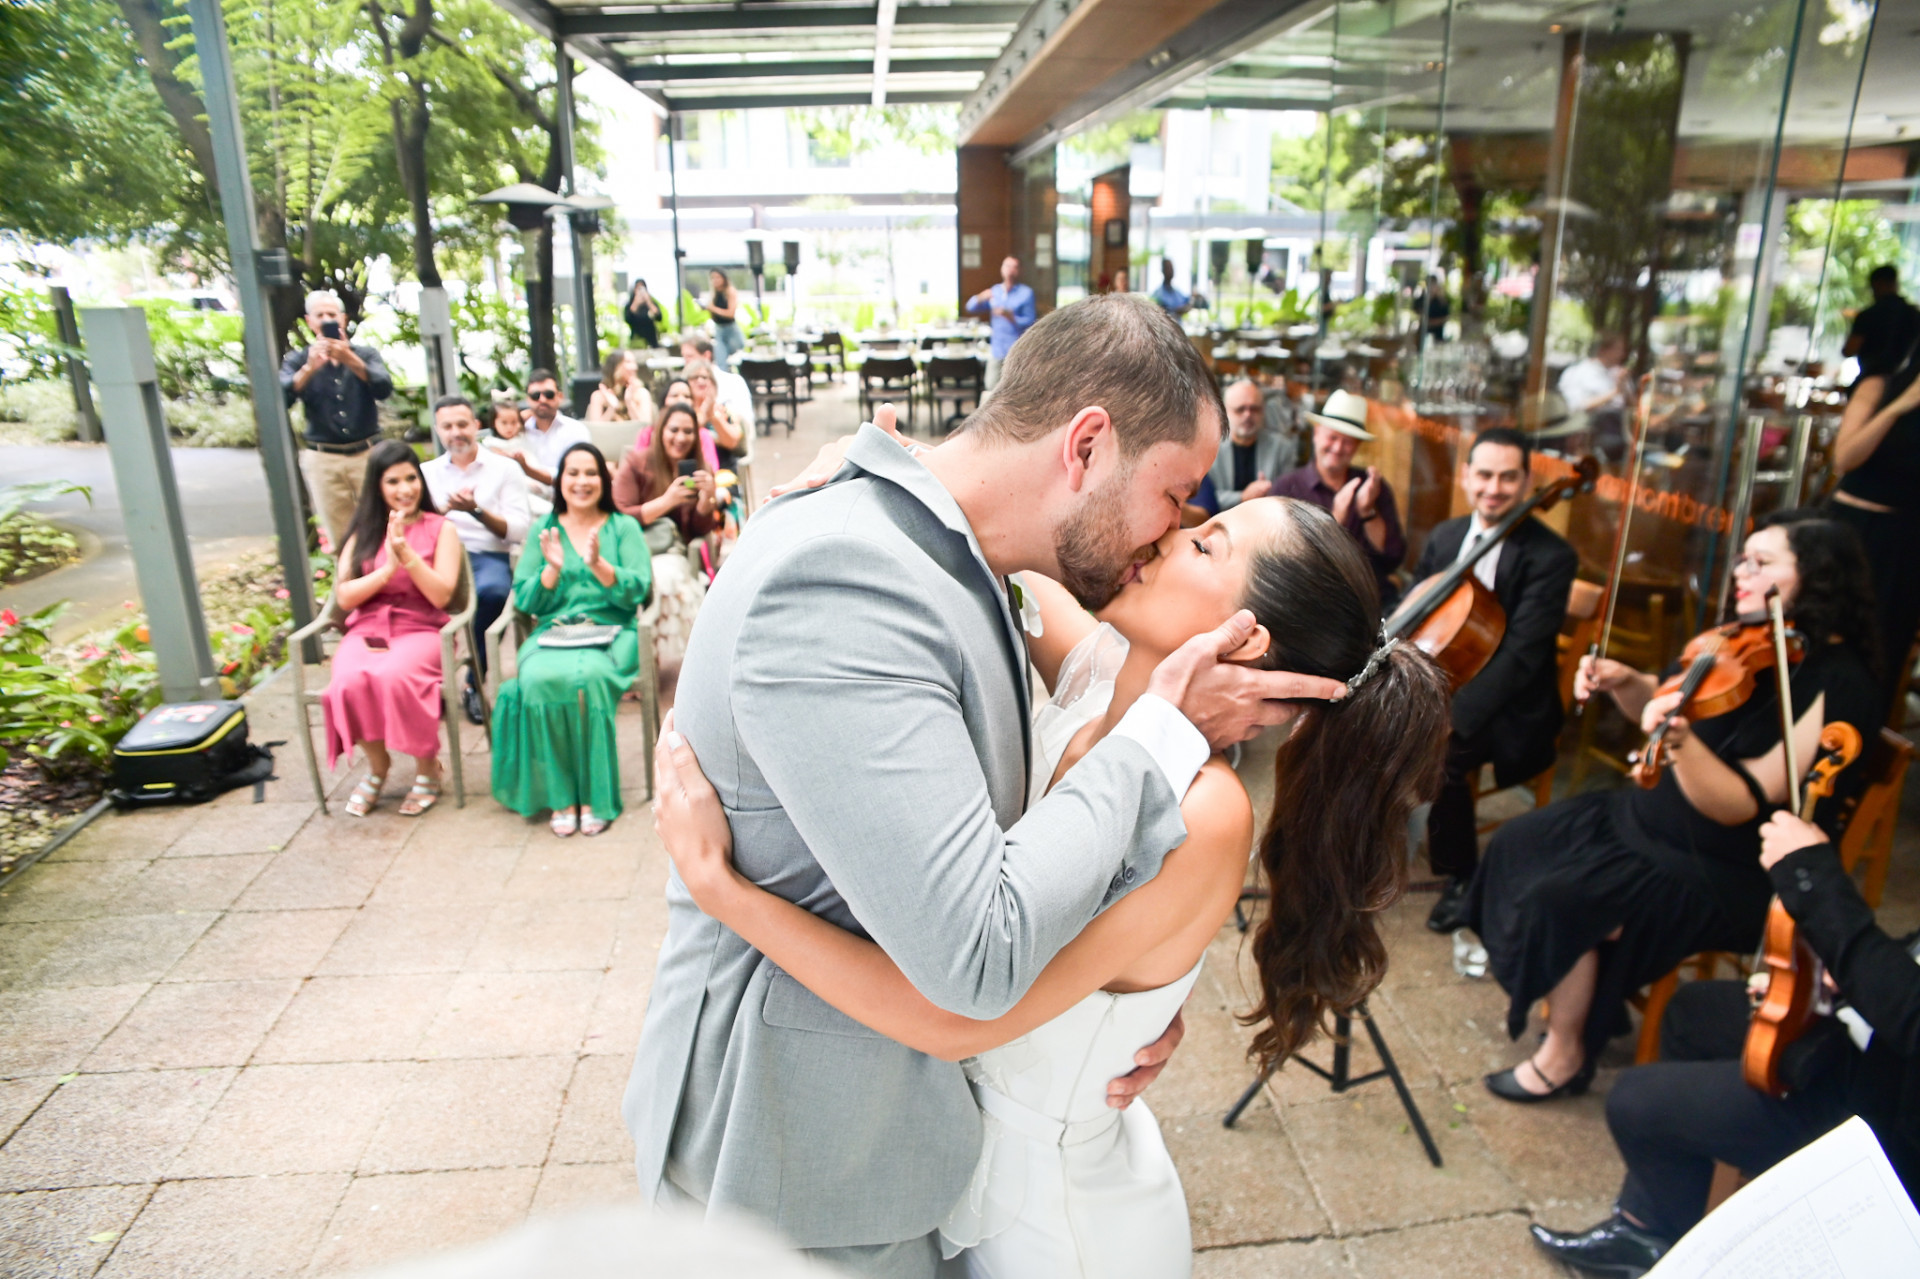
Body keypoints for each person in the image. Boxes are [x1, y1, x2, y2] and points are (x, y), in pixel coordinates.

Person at [623, 294, 1351, 1278]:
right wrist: (1164, 736)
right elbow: (977, 957)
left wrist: (1123, 1007)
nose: (1171, 532)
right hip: (799, 1159)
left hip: (940, 1153)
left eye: (1200, 528)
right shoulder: (849, 574)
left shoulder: (993, 565)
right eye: (1178, 498)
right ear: (1086, 446)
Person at [652, 497, 1450, 1276]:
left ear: (1245, 643)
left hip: (1057, 1225)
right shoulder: (1094, 671)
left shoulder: (1207, 812)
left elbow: (955, 1016)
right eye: (1190, 515)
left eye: (1207, 545)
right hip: (951, 1172)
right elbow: (1003, 532)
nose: (1170, 531)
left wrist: (725, 892)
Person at [1462, 509, 1882, 1103]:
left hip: (1722, 864)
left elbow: (1738, 803)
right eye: (1744, 557)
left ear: (1818, 578)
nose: (1742, 571)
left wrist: (1680, 741)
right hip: (1645, 822)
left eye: (1763, 563)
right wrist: (1626, 680)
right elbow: (1654, 713)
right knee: (1517, 842)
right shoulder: (1739, 641)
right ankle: (1580, 1002)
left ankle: (1565, 1052)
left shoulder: (1839, 684)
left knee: (1563, 898)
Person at [1529, 806, 1920, 1274]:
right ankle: (1652, 1227)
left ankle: (1665, 1240)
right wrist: (1849, 978)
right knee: (1695, 1012)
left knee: (1634, 1102)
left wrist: (1811, 876)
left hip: (1887, 1124)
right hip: (1877, 1044)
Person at [1416, 428, 1579, 932]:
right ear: (1466, 477)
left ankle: (1461, 876)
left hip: (1512, 705)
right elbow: (1416, 612)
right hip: (1448, 681)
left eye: (1509, 477)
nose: (1495, 488)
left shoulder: (1552, 557)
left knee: (1443, 753)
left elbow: (1523, 658)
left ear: (1527, 481)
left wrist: (1449, 718)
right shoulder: (1446, 537)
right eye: (1484, 474)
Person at [490, 442, 651, 839]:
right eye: (573, 473)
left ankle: (595, 796)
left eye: (591, 473)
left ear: (604, 479)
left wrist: (600, 566)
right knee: (538, 680)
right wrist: (551, 571)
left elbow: (640, 590)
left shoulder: (622, 527)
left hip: (614, 632)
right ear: (560, 481)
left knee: (587, 681)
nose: (582, 482)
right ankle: (563, 796)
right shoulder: (544, 531)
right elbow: (525, 599)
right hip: (553, 630)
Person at [321, 441, 462, 819]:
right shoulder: (364, 531)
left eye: (411, 478)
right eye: (393, 481)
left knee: (396, 677)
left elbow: (442, 595)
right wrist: (385, 571)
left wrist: (408, 556)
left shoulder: (441, 528)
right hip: (368, 628)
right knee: (347, 680)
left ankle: (427, 767)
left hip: (421, 627)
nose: (405, 489)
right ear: (377, 487)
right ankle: (379, 766)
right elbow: (346, 595)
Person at [1826, 331, 1920, 721]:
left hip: (1903, 541)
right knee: (1826, 635)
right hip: (1851, 527)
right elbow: (1844, 459)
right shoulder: (1879, 385)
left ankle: (1853, 751)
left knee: (1881, 649)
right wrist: (1900, 407)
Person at [421, 395, 531, 724]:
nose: (456, 432)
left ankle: (473, 682)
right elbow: (418, 524)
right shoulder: (425, 473)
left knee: (494, 593)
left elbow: (517, 530)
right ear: (438, 430)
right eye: (448, 426)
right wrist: (445, 512)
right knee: (418, 595)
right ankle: (427, 684)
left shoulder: (504, 468)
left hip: (486, 553)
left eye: (462, 424)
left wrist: (477, 511)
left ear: (476, 426)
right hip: (436, 551)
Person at [279, 290, 394, 551]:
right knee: (340, 536)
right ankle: (350, 587)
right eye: (320, 315)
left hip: (368, 454)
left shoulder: (364, 354)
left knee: (383, 526)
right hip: (324, 459)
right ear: (310, 321)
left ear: (342, 319)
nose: (327, 319)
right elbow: (282, 398)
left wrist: (349, 358)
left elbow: (384, 388)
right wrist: (310, 368)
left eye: (332, 314)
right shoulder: (298, 360)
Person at [1272, 389, 1406, 611]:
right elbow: (1279, 563)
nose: (1337, 448)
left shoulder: (1374, 487)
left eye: (1348, 442)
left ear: (1357, 447)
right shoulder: (1287, 488)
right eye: (1332, 437)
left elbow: (1393, 558)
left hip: (1373, 603)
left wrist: (1367, 512)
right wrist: (1334, 522)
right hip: (1313, 607)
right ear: (1316, 434)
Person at [613, 400, 720, 668]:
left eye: (688, 431)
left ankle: (659, 662)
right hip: (629, 548)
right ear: (661, 431)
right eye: (674, 430)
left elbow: (698, 530)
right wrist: (666, 501)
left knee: (664, 579)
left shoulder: (698, 468)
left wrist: (707, 500)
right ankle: (640, 661)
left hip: (671, 551)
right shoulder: (637, 462)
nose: (681, 438)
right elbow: (618, 516)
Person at [493, 369, 591, 493]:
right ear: (528, 400)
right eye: (535, 396)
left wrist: (527, 469)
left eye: (549, 394)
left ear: (559, 397)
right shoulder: (518, 430)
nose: (542, 400)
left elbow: (576, 474)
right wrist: (517, 420)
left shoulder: (575, 430)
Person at [1206, 378, 1295, 509]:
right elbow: (1201, 499)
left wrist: (1269, 494)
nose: (1247, 415)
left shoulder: (1282, 448)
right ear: (1225, 412)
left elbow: (1289, 496)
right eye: (1240, 409)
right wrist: (1242, 497)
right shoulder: (1210, 447)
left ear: (1263, 411)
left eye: (1254, 409)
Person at [1558, 332, 1634, 463]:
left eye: (1623, 350)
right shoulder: (1579, 372)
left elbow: (1633, 406)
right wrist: (1614, 392)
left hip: (1623, 434)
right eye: (1618, 349)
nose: (1622, 355)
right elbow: (1577, 406)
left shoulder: (1620, 373)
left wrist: (1624, 389)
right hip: (1592, 433)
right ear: (1603, 350)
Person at [964, 255, 1037, 389]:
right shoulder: (995, 291)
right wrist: (980, 297)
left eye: (1014, 267)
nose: (1010, 270)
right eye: (1007, 266)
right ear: (1002, 269)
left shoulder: (1026, 293)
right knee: (991, 386)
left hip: (1017, 351)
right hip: (997, 349)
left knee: (1015, 389)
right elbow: (970, 307)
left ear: (1019, 271)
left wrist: (1011, 317)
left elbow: (1031, 322)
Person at [1840, 264, 1920, 381]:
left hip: (1870, 379)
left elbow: (1849, 350)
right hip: (1903, 384)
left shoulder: (1869, 315)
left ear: (1876, 284)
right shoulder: (1914, 314)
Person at [678, 334, 756, 435]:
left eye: (690, 357)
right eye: (684, 357)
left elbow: (745, 424)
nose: (686, 363)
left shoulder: (733, 382)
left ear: (706, 356)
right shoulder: (682, 384)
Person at [682, 359, 744, 470]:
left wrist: (712, 416)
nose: (701, 381)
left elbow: (733, 442)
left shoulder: (724, 410)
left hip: (723, 472)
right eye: (694, 377)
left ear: (713, 384)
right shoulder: (680, 413)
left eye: (705, 377)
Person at [588, 350, 656, 426]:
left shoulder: (641, 393)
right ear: (615, 366)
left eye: (634, 362)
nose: (635, 367)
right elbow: (595, 430)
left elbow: (645, 426)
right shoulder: (598, 396)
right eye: (628, 362)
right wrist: (612, 408)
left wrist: (629, 403)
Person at [703, 269, 744, 372]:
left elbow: (730, 313)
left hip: (731, 329)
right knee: (721, 359)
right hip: (719, 329)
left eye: (717, 277)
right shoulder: (713, 294)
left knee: (737, 357)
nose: (715, 280)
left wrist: (713, 309)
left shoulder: (730, 291)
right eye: (712, 278)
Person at [624, 278, 663, 348]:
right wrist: (636, 302)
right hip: (637, 341)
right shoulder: (630, 304)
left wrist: (648, 301)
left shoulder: (651, 303)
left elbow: (659, 317)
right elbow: (628, 318)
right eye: (638, 288)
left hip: (652, 340)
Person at [1414, 273, 1451, 343]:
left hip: (1438, 335)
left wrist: (1434, 322)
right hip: (1422, 334)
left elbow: (1446, 316)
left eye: (1433, 284)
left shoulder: (1442, 301)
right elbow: (1417, 313)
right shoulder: (1420, 300)